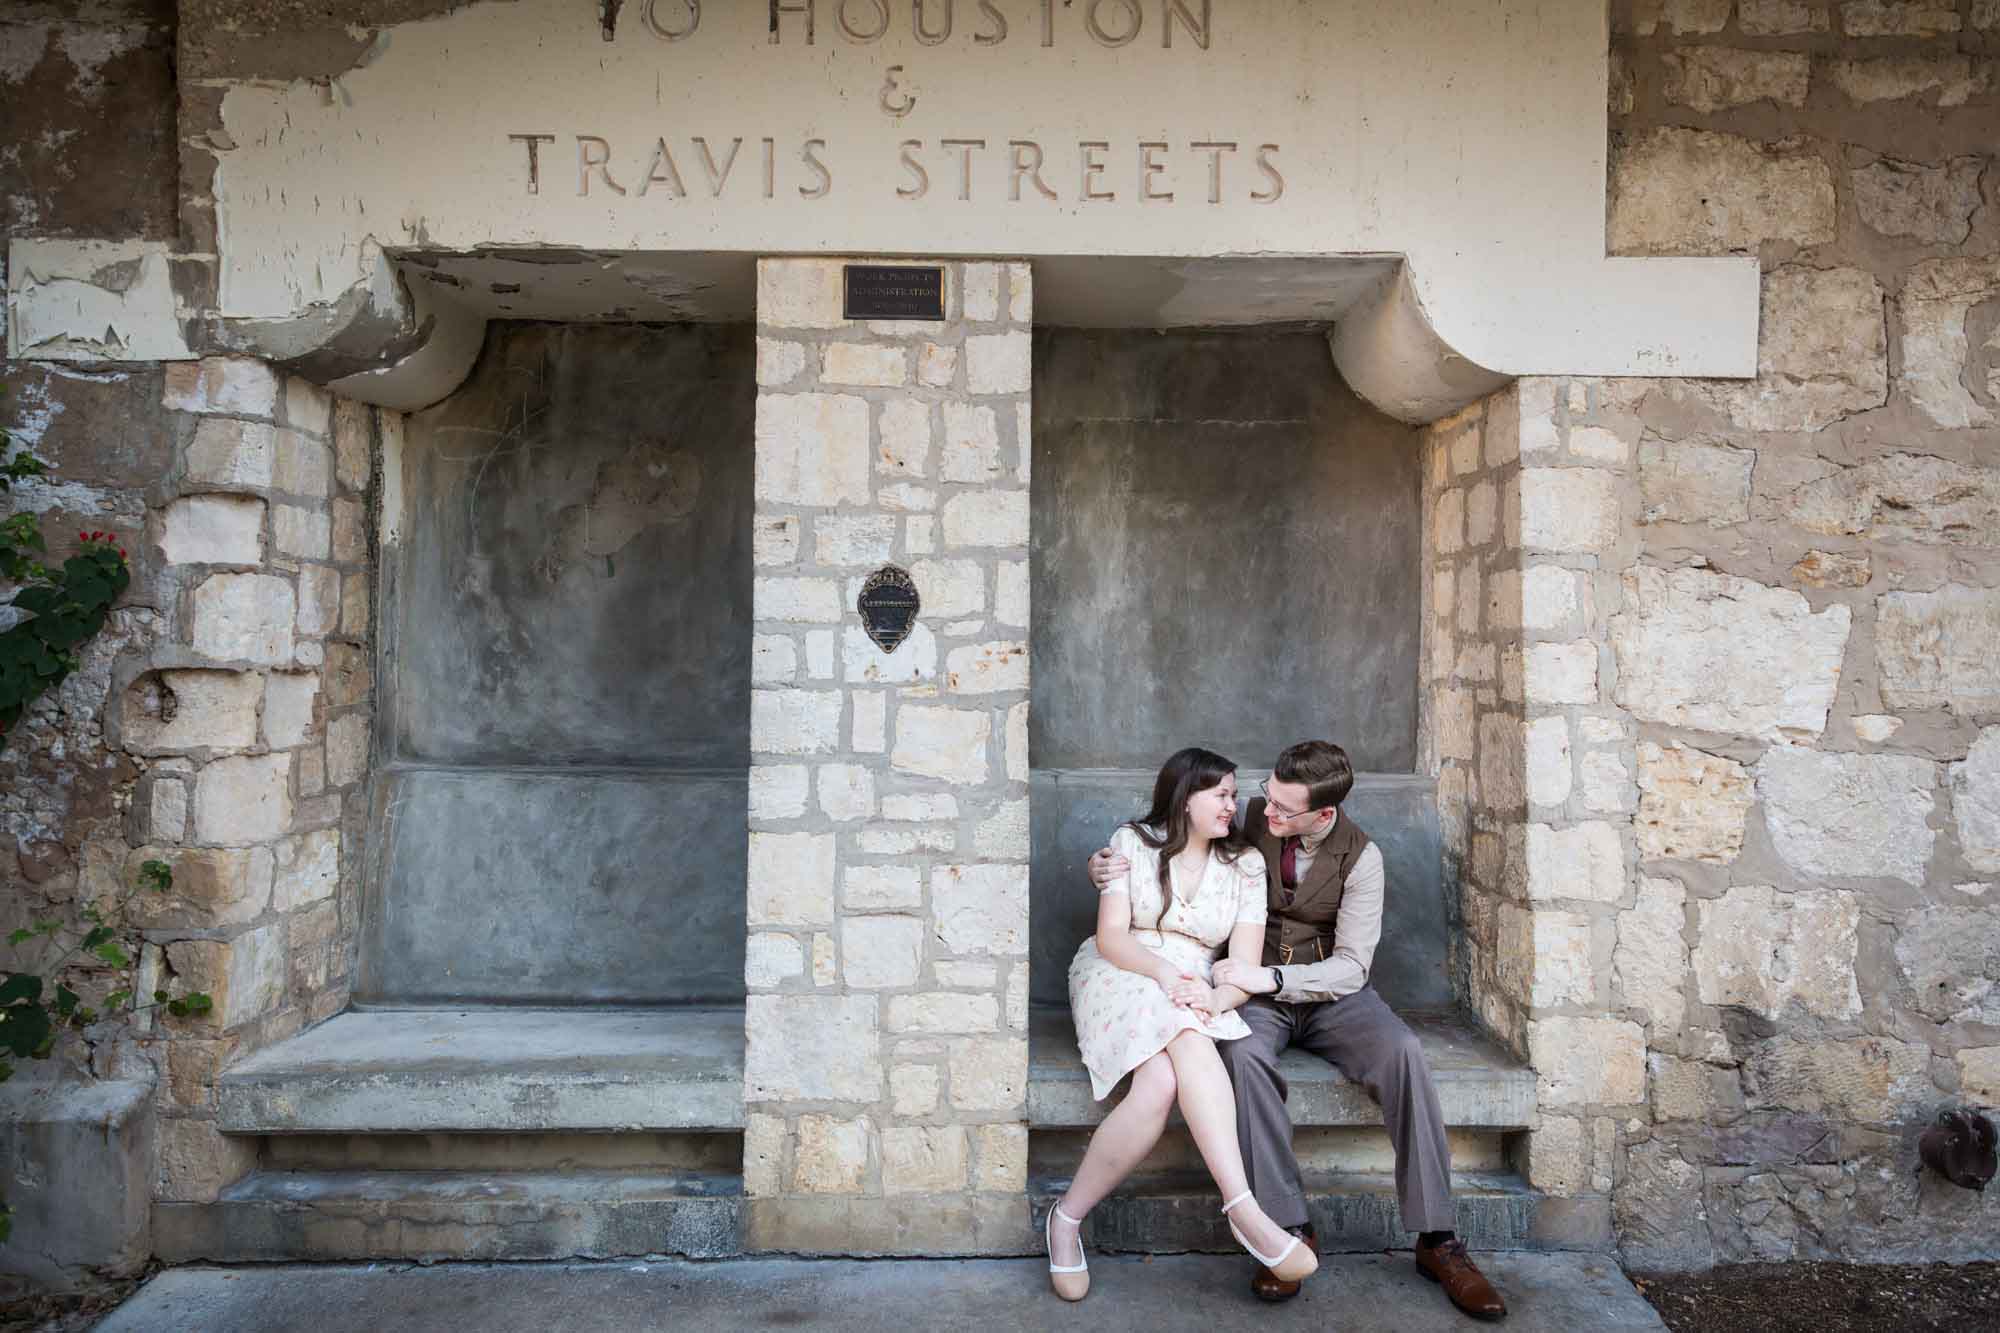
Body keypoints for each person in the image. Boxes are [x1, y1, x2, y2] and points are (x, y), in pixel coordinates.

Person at [1089, 740, 1507, 1319]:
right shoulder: (1246, 813)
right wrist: (1104, 867)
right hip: (1251, 992)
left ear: (1324, 815)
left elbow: (1352, 967)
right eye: (1268, 798)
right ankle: (1288, 1227)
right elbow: (1166, 843)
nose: (1267, 812)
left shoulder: (1363, 859)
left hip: (1327, 991)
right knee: (1242, 1058)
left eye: (1285, 809)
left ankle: (1438, 1240)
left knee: (1404, 1053)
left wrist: (1271, 976)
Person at [1046, 747, 1319, 1302]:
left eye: (1233, 794)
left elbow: (1240, 966)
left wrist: (1218, 999)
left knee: (1161, 1082)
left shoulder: (1244, 866)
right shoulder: (1132, 843)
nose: (1232, 805)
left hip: (1192, 983)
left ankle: (1065, 1218)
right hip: (1121, 970)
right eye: (1220, 793)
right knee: (1187, 1031)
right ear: (1185, 796)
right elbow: (1112, 938)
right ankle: (1242, 1205)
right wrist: (1166, 974)